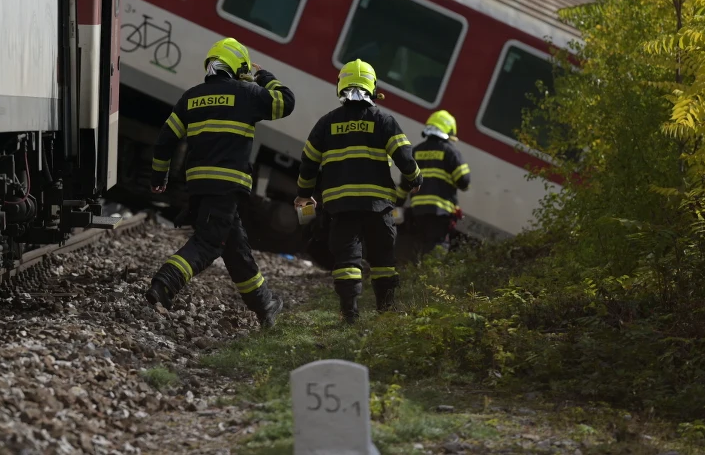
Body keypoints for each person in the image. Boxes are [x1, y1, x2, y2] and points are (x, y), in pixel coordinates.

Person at [145, 37, 295, 327]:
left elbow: (165, 140)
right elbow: (285, 102)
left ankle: (264, 304)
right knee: (209, 242)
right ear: (238, 67)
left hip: (198, 186)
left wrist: (159, 177)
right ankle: (165, 283)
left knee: (234, 246)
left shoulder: (191, 97)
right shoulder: (248, 93)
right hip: (227, 185)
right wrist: (264, 76)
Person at [294, 59, 422, 323]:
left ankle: (349, 313)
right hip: (378, 206)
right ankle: (386, 311)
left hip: (341, 207)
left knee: (347, 260)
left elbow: (308, 162)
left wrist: (305, 194)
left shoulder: (326, 123)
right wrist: (414, 178)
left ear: (341, 86)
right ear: (372, 87)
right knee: (383, 259)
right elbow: (404, 156)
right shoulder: (384, 120)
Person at [405, 110, 471, 258]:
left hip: (418, 212)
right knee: (437, 249)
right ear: (448, 131)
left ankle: (414, 277)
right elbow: (464, 182)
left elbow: (404, 183)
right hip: (440, 213)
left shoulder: (416, 151)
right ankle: (430, 279)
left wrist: (398, 204)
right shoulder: (450, 152)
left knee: (418, 247)